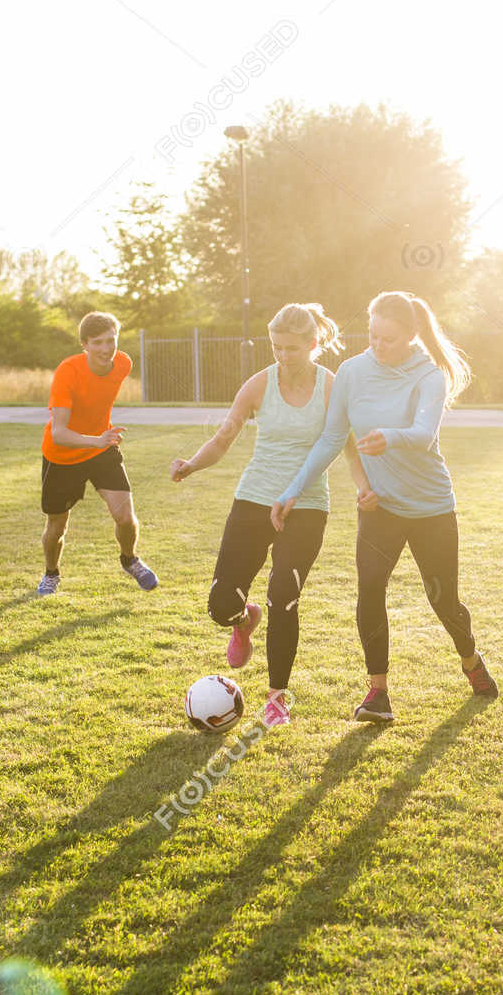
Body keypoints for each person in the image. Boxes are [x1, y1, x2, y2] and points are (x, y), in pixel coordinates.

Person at [273, 290, 496, 723]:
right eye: (373, 336)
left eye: (388, 339)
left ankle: (470, 659)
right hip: (380, 509)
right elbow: (331, 439)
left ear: (412, 336)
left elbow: (424, 432)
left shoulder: (430, 375)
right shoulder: (353, 372)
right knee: (371, 589)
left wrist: (389, 437)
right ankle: (378, 693)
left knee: (443, 600)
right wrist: (292, 490)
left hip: (430, 506)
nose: (378, 346)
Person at [170, 303, 370, 728]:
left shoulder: (333, 388)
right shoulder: (259, 385)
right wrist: (191, 464)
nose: (281, 355)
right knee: (221, 602)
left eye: (291, 349)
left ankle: (277, 698)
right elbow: (225, 437)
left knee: (284, 595)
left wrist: (364, 488)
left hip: (308, 506)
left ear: (313, 344)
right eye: (275, 347)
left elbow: (349, 446)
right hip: (254, 499)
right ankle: (242, 622)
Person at [38, 311, 157, 596]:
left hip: (102, 447)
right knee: (57, 527)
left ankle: (130, 560)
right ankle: (51, 574)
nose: (106, 349)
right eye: (97, 342)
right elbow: (59, 433)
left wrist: (101, 440)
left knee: (126, 518)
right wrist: (97, 440)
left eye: (111, 340)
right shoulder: (68, 371)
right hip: (63, 455)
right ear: (84, 345)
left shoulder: (123, 364)